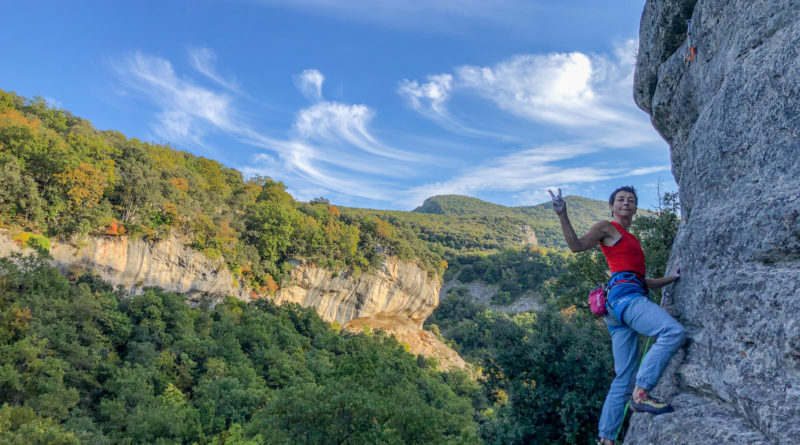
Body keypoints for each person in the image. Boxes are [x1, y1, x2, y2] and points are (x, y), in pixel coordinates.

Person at [548, 186, 686, 445]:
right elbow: (576, 246)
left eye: (631, 200)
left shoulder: (632, 241)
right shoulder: (607, 228)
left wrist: (670, 279)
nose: (626, 203)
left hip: (620, 303)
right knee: (673, 332)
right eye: (620, 200)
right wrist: (562, 214)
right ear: (611, 207)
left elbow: (641, 280)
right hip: (625, 299)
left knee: (623, 376)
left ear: (635, 208)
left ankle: (606, 439)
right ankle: (642, 393)